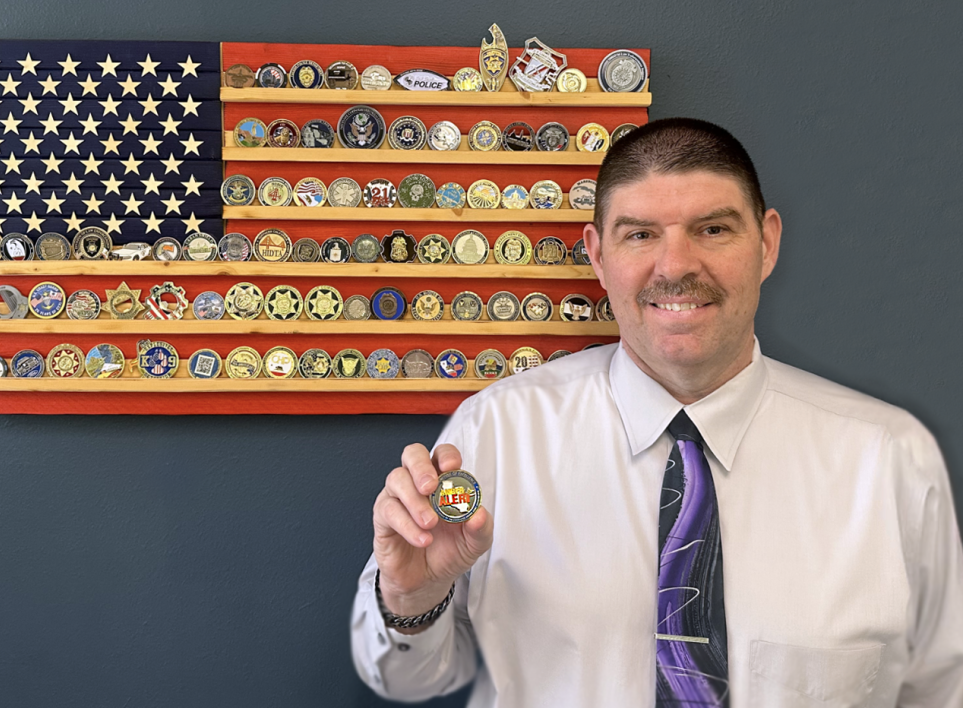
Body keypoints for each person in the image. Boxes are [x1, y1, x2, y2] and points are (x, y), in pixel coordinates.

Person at [350, 118, 963, 706]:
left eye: (714, 230)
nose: (675, 267)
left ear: (767, 243)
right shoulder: (500, 433)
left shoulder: (891, 459)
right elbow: (410, 682)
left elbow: (944, 690)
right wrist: (410, 597)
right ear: (597, 254)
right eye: (640, 234)